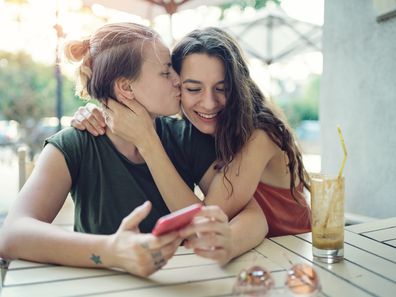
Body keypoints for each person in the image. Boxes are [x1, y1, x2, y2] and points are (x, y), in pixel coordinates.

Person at [0, 23, 267, 277]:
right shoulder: (74, 145)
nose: (178, 80)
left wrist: (229, 240)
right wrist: (112, 251)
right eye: (166, 72)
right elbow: (12, 234)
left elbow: (251, 214)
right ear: (126, 88)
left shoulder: (186, 137)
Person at [73, 27, 311, 238]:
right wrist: (97, 112)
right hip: (250, 258)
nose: (209, 103)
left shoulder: (260, 137)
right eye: (193, 88)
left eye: (222, 89)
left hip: (290, 252)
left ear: (238, 88)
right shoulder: (195, 133)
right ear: (175, 84)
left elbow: (204, 220)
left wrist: (147, 141)